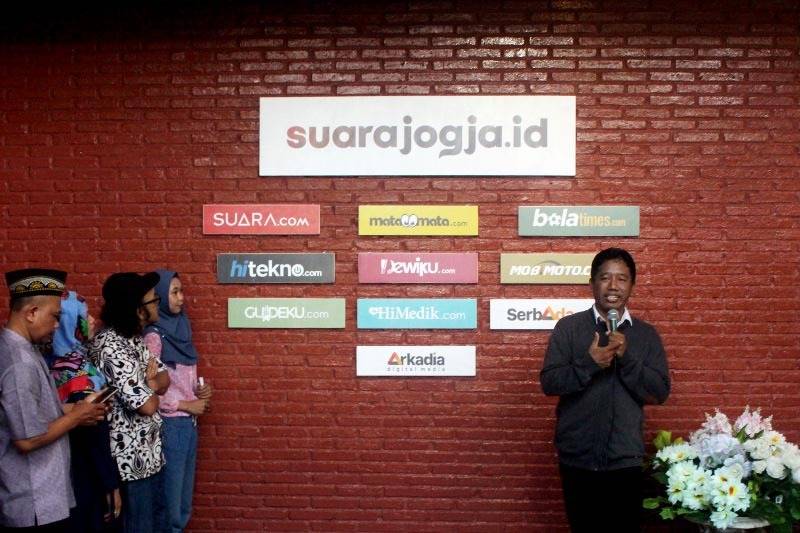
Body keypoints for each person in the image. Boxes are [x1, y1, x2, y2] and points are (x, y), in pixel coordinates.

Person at [540, 248, 671, 533]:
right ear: (592, 283)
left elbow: (659, 392)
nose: (613, 286)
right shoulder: (569, 328)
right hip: (578, 460)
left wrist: (627, 357)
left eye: (622, 279)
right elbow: (550, 383)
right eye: (605, 278)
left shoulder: (646, 335)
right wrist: (589, 364)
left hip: (626, 461)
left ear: (632, 285)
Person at [0, 269, 106, 532]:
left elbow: (33, 411)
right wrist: (76, 417)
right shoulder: (19, 363)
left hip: (43, 496)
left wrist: (78, 409)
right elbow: (27, 439)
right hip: (33, 501)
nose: (58, 325)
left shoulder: (25, 348)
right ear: (32, 312)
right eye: (55, 316)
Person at [88, 272, 170, 533]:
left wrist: (150, 383)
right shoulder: (110, 346)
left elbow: (165, 378)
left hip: (152, 457)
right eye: (153, 300)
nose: (158, 304)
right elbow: (147, 406)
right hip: (130, 465)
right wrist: (151, 384)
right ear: (136, 309)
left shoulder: (133, 340)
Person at [47, 291, 122, 532]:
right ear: (70, 323)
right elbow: (93, 436)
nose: (92, 320)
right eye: (84, 315)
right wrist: (110, 484)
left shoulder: (52, 362)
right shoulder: (78, 373)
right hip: (86, 474)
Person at [143, 270, 212, 533]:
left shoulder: (182, 328)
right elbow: (146, 389)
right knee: (170, 499)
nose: (182, 298)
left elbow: (182, 380)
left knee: (183, 500)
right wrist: (183, 405)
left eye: (181, 291)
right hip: (169, 425)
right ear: (159, 296)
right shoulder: (153, 336)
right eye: (174, 292)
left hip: (189, 424)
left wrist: (200, 391)